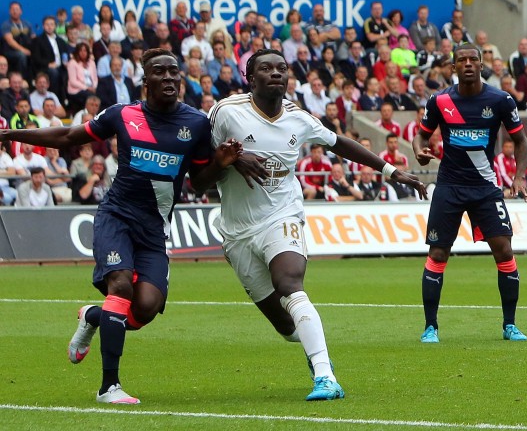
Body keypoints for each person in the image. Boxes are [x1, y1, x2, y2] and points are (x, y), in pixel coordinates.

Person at [0, 50, 246, 404]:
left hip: (154, 229)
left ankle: (94, 316)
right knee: (120, 285)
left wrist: (220, 164)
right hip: (116, 217)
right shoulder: (122, 114)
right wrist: (11, 133)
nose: (169, 77)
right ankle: (109, 386)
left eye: (174, 72)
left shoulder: (196, 124)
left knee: (146, 308)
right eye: (160, 72)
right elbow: (69, 136)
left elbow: (199, 183)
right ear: (145, 82)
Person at [205, 49, 426, 400]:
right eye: (266, 68)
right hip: (237, 230)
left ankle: (324, 375)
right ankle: (313, 349)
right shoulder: (225, 112)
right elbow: (200, 174)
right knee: (286, 326)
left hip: (282, 215)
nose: (275, 73)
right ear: (249, 77)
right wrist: (227, 161)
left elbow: (340, 144)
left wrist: (391, 171)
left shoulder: (298, 117)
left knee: (290, 285)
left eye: (281, 68)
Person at [412, 43, 527, 343]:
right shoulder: (439, 101)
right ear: (453, 67)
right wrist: (419, 151)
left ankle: (509, 325)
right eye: (461, 60)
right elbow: (420, 136)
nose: (467, 64)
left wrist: (518, 177)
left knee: (504, 250)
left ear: (481, 65)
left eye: (472, 59)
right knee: (438, 253)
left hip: (485, 188)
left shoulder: (501, 100)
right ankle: (430, 327)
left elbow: (521, 141)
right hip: (449, 187)